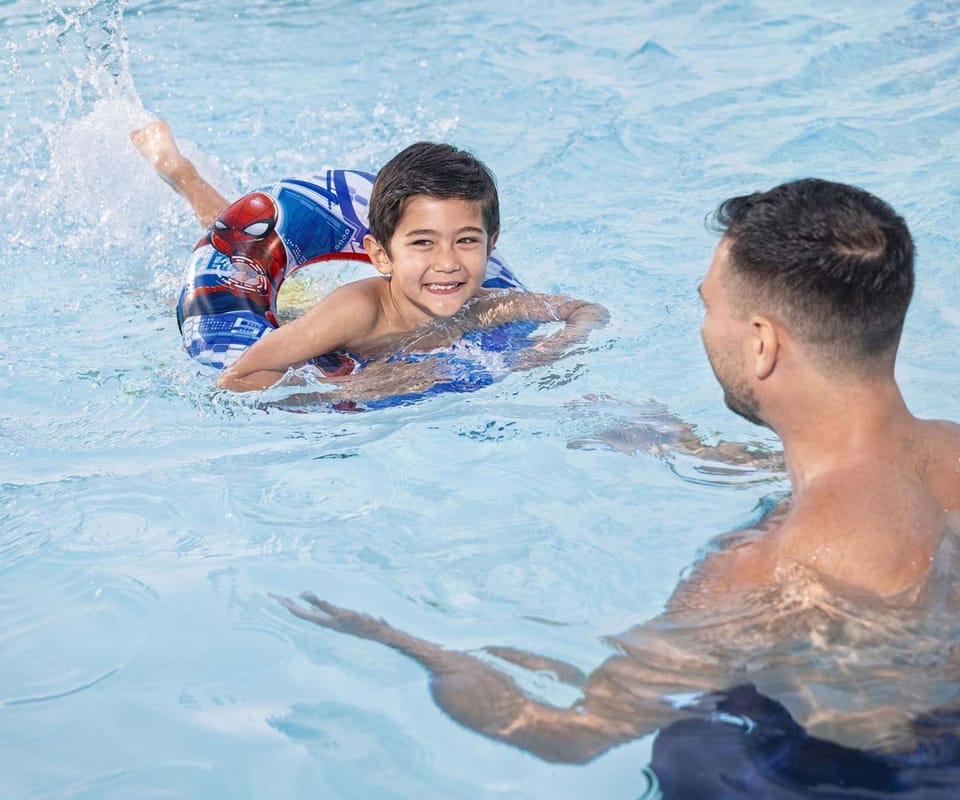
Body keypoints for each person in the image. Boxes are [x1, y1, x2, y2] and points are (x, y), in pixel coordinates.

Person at [274, 179, 960, 792]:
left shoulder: (760, 573)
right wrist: (686, 447)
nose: (705, 328)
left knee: (690, 745)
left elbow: (570, 732)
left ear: (762, 343)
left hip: (858, 777)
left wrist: (407, 639)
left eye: (709, 307)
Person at [130, 120, 608, 395]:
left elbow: (585, 310)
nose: (447, 263)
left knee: (287, 288)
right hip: (310, 336)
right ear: (380, 254)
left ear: (491, 243)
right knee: (238, 247)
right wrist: (353, 392)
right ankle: (180, 171)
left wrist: (549, 350)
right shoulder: (355, 311)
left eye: (466, 241)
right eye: (423, 243)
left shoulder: (483, 305)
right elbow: (238, 375)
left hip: (328, 338)